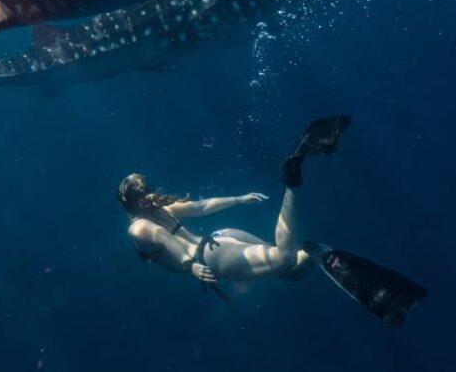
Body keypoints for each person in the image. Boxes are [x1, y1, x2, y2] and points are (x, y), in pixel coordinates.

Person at [121, 116, 427, 325]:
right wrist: (237, 199)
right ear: (135, 200)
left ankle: (291, 180)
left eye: (145, 193)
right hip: (221, 238)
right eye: (142, 194)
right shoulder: (157, 213)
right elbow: (199, 208)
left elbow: (167, 239)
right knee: (293, 269)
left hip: (210, 256)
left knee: (282, 259)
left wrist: (190, 266)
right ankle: (314, 251)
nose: (147, 197)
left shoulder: (138, 226)